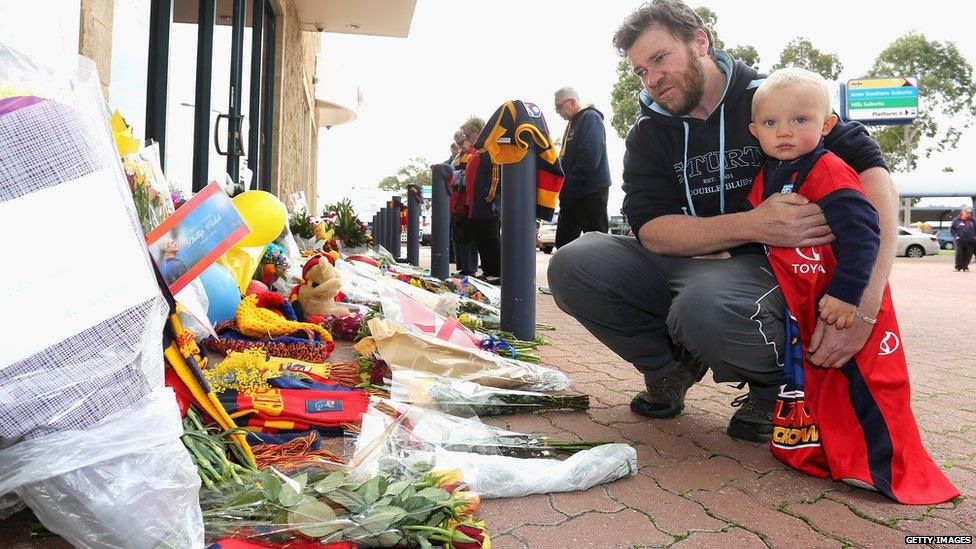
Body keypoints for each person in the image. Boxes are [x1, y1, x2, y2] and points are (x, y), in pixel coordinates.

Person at [547, 0, 897, 443]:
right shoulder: (648, 132)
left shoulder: (772, 97)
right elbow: (651, 228)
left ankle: (775, 388)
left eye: (659, 59)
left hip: (769, 267)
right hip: (693, 256)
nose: (651, 80)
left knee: (706, 304)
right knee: (573, 263)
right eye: (640, 71)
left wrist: (864, 304)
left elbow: (873, 172)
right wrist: (752, 223)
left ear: (699, 43)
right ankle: (669, 367)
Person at [744, 68, 957, 503]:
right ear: (755, 131)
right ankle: (822, 454)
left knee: (869, 383)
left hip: (841, 298)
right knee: (818, 382)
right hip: (804, 301)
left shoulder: (829, 170)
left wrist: (849, 297)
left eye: (799, 120)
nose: (784, 131)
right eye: (771, 123)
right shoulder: (771, 171)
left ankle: (889, 470)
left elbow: (865, 236)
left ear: (826, 125)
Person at [552, 87, 612, 248]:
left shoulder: (590, 118)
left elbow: (590, 157)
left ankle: (600, 274)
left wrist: (569, 186)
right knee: (564, 244)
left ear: (572, 101)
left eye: (558, 107)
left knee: (597, 244)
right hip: (571, 193)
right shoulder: (573, 122)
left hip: (589, 193)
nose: (557, 112)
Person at [462, 116, 502, 284]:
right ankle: (487, 270)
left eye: (467, 134)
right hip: (476, 205)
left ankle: (497, 271)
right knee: (481, 238)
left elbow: (496, 176)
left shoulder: (489, 149)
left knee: (490, 239)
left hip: (486, 204)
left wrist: (489, 198)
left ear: (477, 132)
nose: (466, 138)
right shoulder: (478, 151)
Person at [950, 206, 975, 271]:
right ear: (962, 212)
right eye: (967, 212)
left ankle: (965, 267)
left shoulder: (973, 220)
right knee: (959, 253)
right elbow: (952, 229)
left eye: (969, 213)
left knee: (968, 254)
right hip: (959, 241)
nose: (969, 214)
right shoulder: (956, 220)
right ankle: (958, 267)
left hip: (970, 241)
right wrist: (956, 236)